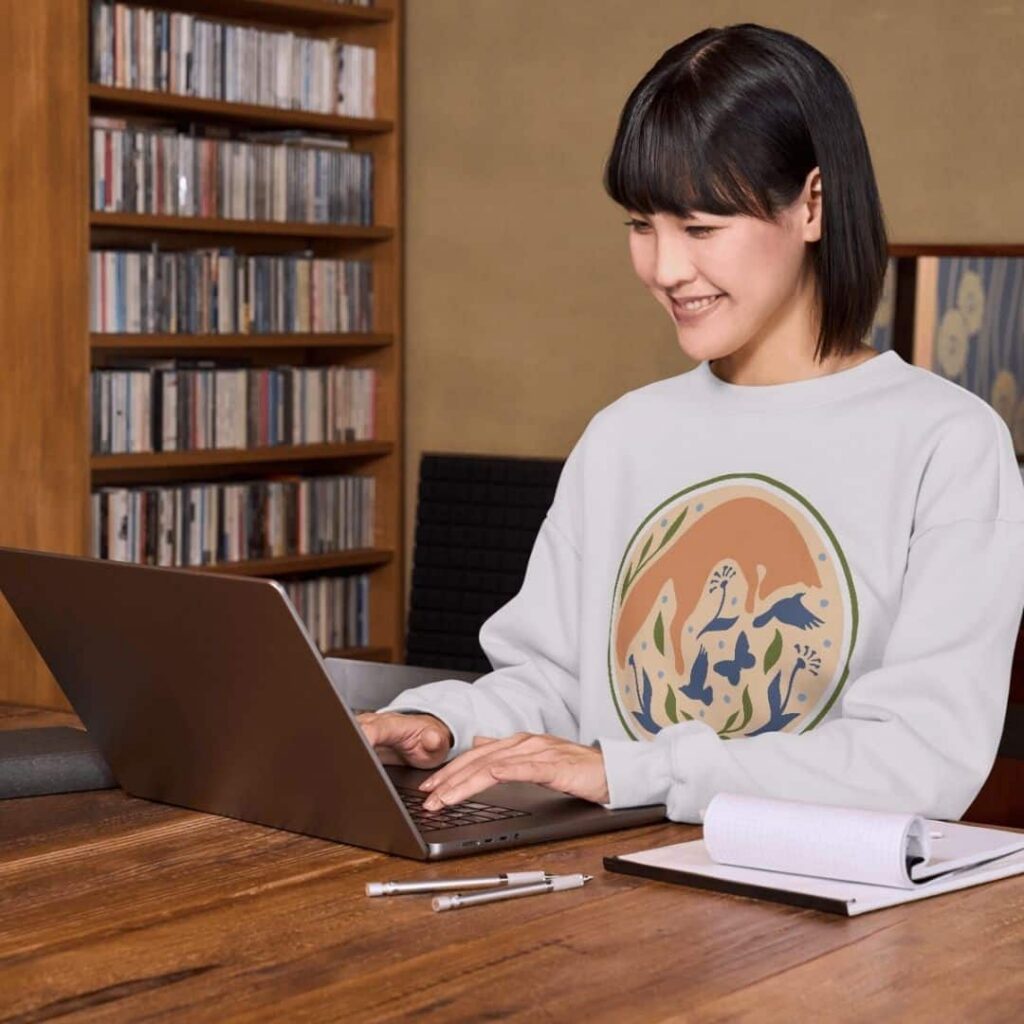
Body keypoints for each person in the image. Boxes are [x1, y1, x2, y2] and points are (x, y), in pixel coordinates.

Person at [358, 23, 1024, 823]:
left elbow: (918, 760)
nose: (666, 269)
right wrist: (449, 723)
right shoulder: (623, 436)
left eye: (701, 228)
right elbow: (562, 687)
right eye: (642, 225)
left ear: (812, 203)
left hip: (827, 921)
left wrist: (635, 770)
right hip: (603, 894)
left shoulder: (947, 442)